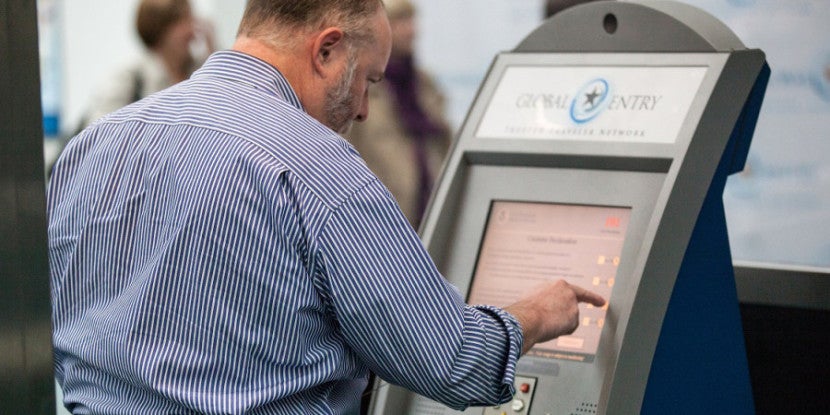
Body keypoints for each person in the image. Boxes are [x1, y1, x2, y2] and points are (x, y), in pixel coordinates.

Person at [48, 1, 605, 414]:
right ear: (327, 49)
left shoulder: (95, 147)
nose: (364, 109)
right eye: (368, 80)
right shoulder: (321, 170)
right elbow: (453, 361)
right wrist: (535, 314)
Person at [345, 0, 452, 229]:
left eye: (412, 21)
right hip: (379, 217)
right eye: (401, 22)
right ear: (380, 28)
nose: (411, 30)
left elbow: (446, 143)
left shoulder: (424, 84)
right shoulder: (359, 87)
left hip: (429, 210)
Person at [80, 0, 215, 127]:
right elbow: (99, 137)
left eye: (191, 19)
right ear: (160, 30)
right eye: (183, 21)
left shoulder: (201, 71)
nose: (192, 31)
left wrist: (213, 57)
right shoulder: (129, 79)